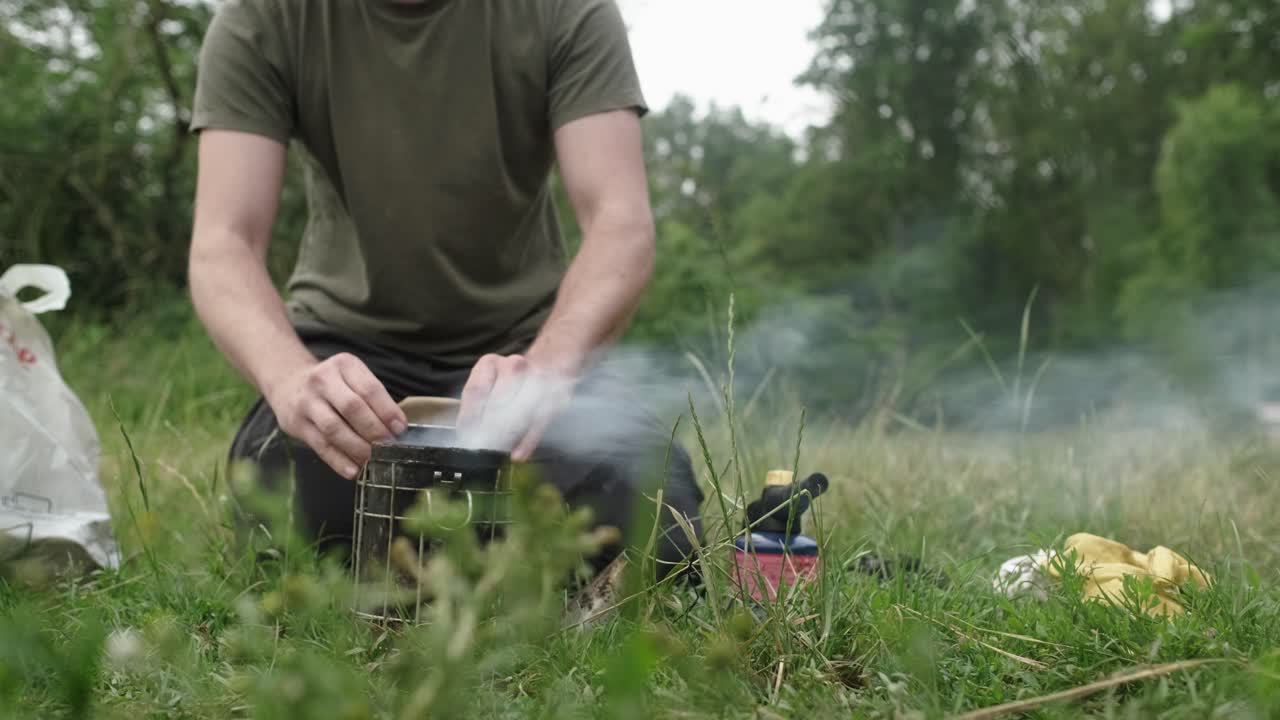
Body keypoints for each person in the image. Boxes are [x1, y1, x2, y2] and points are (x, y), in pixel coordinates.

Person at [185, 0, 703, 581]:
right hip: (349, 354)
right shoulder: (265, 17)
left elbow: (620, 223)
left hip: (528, 351)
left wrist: (550, 367)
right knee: (287, 521)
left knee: (657, 520)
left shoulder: (567, 10)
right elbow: (222, 243)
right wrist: (288, 379)